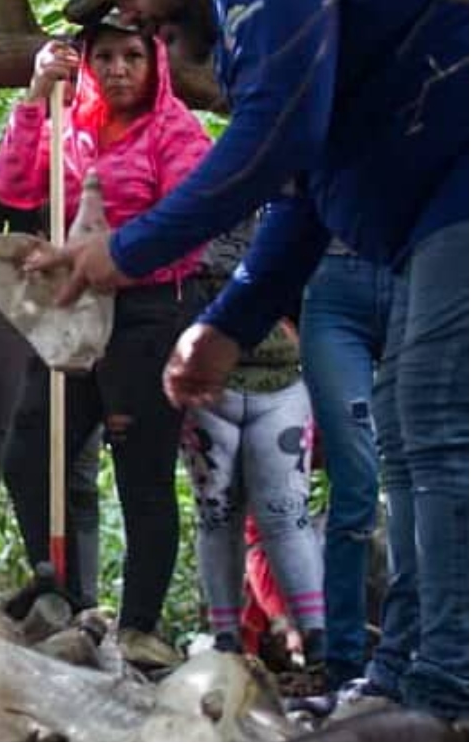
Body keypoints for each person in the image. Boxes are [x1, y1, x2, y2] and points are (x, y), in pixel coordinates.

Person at [50, 0, 466, 718]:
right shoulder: (260, 16)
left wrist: (126, 250)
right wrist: (229, 323)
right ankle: (401, 681)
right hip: (427, 212)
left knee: (433, 422)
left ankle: (447, 688)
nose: (133, 13)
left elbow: (278, 138)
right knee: (410, 432)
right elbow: (299, 189)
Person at [0, 15, 211, 655]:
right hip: (72, 310)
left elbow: (188, 229)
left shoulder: (176, 131)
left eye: (131, 57)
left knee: (140, 469)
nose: (117, 70)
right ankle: (62, 597)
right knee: (31, 450)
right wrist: (35, 95)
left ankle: (139, 626)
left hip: (146, 314)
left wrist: (110, 254)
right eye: (105, 57)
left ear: (154, 62)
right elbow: (11, 185)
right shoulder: (70, 123)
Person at [0, 177, 102, 601]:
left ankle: (81, 596)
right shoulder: (19, 160)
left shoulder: (108, 161)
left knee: (81, 472)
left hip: (84, 325)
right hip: (17, 321)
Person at [178, 215, 324, 661]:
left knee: (282, 512)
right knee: (220, 512)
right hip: (208, 381)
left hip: (278, 380)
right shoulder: (188, 221)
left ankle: (315, 635)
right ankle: (229, 638)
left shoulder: (284, 217)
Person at [298, 242, 395, 690]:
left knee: (422, 475)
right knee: (356, 482)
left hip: (421, 263)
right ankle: (344, 667)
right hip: (331, 273)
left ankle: (423, 656)